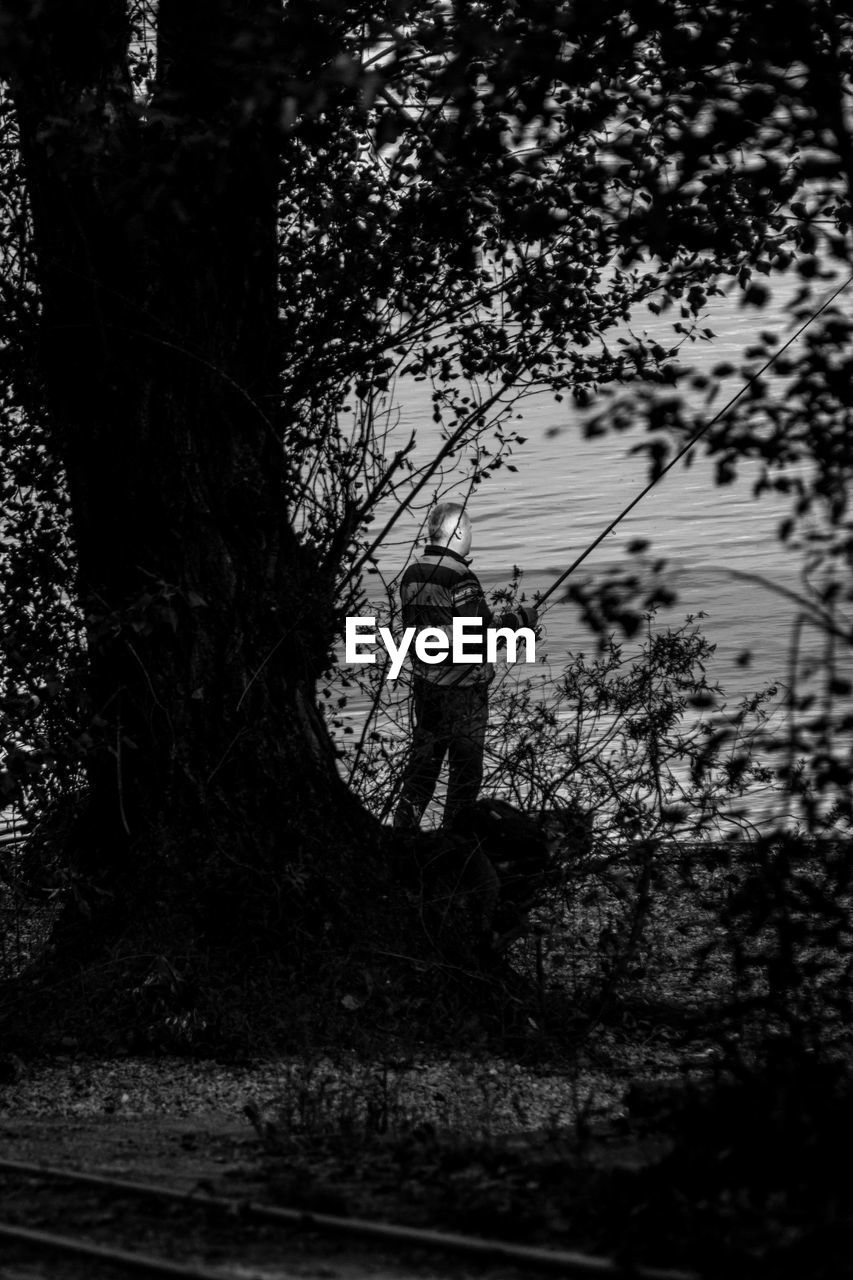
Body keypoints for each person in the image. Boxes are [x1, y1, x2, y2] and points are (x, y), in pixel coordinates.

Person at [393, 502, 538, 830]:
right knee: (465, 774)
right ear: (458, 531)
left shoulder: (413, 573)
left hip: (426, 685)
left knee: (423, 767)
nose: (470, 536)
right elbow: (481, 635)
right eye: (469, 530)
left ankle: (404, 831)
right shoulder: (461, 576)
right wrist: (522, 620)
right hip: (463, 691)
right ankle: (455, 842)